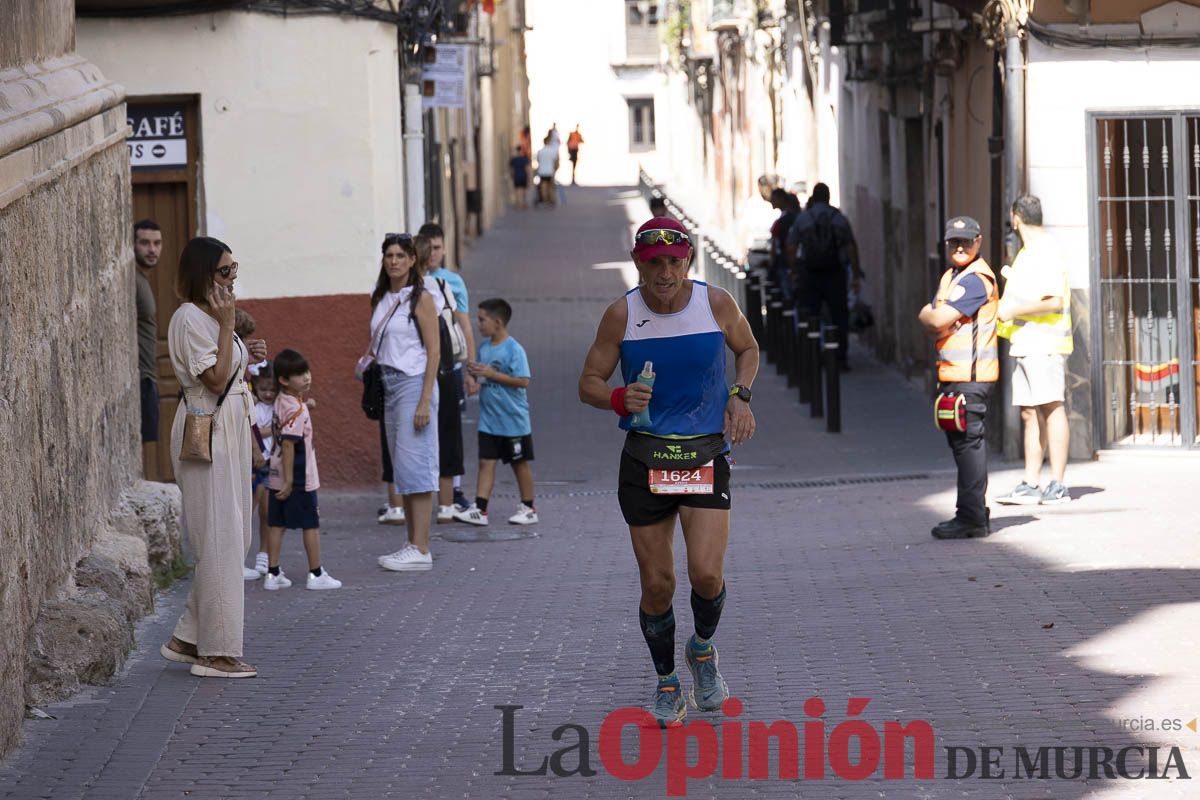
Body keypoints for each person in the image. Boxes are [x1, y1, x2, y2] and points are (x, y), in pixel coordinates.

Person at [577, 217, 758, 727]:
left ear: (688, 262)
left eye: (674, 261)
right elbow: (588, 382)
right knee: (657, 584)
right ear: (638, 262)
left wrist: (740, 397)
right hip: (645, 460)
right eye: (654, 262)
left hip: (704, 456)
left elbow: (747, 349)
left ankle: (702, 650)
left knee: (706, 574)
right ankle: (666, 682)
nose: (664, 272)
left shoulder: (715, 303)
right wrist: (617, 396)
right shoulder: (621, 315)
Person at [159, 237, 267, 678]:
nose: (232, 279)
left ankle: (187, 636)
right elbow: (216, 379)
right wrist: (228, 330)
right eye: (225, 272)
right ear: (203, 274)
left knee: (235, 536)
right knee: (220, 539)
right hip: (207, 434)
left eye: (234, 270)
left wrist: (246, 352)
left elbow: (230, 370)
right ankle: (216, 653)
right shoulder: (191, 319)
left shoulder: (212, 318)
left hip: (231, 431)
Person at [918, 216, 999, 540]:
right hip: (955, 375)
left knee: (969, 446)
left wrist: (928, 316)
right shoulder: (953, 276)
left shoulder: (975, 279)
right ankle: (973, 511)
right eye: (954, 242)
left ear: (979, 241)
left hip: (971, 377)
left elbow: (936, 317)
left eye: (966, 241)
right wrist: (935, 319)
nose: (960, 247)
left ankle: (971, 517)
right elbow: (940, 320)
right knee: (961, 444)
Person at [370, 233, 441, 571]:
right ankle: (412, 543)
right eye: (389, 255)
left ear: (413, 260)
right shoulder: (382, 296)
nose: (394, 260)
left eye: (401, 255)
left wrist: (425, 399)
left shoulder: (421, 298)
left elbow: (434, 350)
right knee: (403, 466)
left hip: (414, 384)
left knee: (417, 464)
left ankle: (422, 547)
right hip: (389, 384)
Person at [996, 195, 1073, 506]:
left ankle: (1057, 483)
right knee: (1030, 413)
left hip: (1046, 343)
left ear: (1016, 218)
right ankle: (1031, 482)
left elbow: (1053, 301)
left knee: (1051, 409)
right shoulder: (1028, 253)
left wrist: (1013, 311)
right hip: (1027, 344)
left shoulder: (1046, 250)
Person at [261, 349, 340, 590]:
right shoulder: (297, 409)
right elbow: (288, 443)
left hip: (274, 475)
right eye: (299, 374)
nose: (306, 377)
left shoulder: (283, 400)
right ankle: (316, 574)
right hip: (298, 478)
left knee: (277, 523)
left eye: (307, 371)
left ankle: (272, 574)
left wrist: (307, 406)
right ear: (284, 380)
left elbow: (289, 419)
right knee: (310, 524)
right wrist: (289, 483)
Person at [455, 299, 538, 526]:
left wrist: (492, 375)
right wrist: (474, 381)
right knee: (485, 462)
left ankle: (529, 507)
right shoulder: (484, 347)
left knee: (519, 463)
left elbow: (523, 381)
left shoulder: (514, 349)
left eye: (482, 320)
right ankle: (480, 510)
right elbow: (483, 376)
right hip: (489, 420)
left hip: (513, 421)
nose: (478, 324)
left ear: (498, 322)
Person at [418, 223, 476, 522]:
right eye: (428, 249)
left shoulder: (451, 282)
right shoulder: (412, 282)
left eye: (438, 248)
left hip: (449, 366)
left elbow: (463, 324)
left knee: (451, 430)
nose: (433, 255)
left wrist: (471, 368)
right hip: (421, 368)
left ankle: (453, 490)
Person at [786, 182, 864, 370]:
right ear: (828, 197)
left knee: (810, 315)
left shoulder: (804, 219)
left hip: (810, 274)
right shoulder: (838, 218)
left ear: (814, 196)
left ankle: (810, 357)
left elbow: (791, 247)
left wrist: (794, 271)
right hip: (834, 273)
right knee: (839, 315)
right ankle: (841, 358)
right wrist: (854, 274)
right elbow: (851, 247)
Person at [134, 219, 162, 475]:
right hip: (140, 375)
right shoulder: (132, 278)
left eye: (156, 243)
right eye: (145, 243)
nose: (152, 249)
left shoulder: (142, 279)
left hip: (148, 374)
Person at [247, 365, 275, 580]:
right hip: (253, 460)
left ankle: (263, 553)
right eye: (263, 388)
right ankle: (240, 556)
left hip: (271, 462)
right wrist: (275, 429)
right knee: (248, 509)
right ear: (255, 386)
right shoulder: (253, 405)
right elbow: (252, 429)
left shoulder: (278, 405)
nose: (268, 393)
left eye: (272, 389)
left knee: (266, 511)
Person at [769, 189, 801, 302]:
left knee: (788, 298)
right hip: (790, 264)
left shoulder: (784, 220)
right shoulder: (793, 217)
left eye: (774, 199)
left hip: (785, 264)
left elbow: (777, 246)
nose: (771, 201)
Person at [535, 135, 559, 207]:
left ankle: (544, 200)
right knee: (550, 187)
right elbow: (556, 161)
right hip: (550, 171)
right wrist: (555, 169)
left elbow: (538, 160)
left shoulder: (540, 151)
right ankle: (549, 200)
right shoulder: (553, 151)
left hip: (542, 171)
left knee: (543, 186)